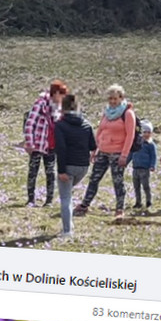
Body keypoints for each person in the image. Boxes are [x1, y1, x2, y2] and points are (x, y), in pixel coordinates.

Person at [74, 84, 137, 220]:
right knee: (94, 179)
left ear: (121, 98)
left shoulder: (128, 114)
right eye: (110, 99)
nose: (112, 101)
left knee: (117, 181)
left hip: (118, 152)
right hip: (103, 151)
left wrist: (124, 155)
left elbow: (130, 136)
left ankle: (119, 208)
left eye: (115, 99)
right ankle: (85, 204)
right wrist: (95, 149)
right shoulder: (107, 112)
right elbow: (100, 130)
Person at [54, 93, 96, 237]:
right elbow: (93, 145)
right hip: (83, 167)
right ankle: (69, 224)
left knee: (65, 198)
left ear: (62, 108)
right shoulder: (86, 124)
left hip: (68, 166)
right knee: (68, 194)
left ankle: (67, 231)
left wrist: (61, 170)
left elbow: (61, 149)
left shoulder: (60, 125)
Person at [23, 80, 68, 206]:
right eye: (61, 95)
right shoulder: (40, 104)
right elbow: (30, 123)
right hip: (38, 143)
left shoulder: (60, 108)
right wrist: (29, 142)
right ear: (55, 94)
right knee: (33, 171)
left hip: (51, 145)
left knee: (50, 172)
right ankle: (31, 199)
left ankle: (49, 200)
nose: (63, 98)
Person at [130, 121, 158, 210]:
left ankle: (148, 201)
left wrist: (152, 165)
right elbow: (131, 154)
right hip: (135, 168)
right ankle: (138, 202)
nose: (146, 134)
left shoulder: (150, 145)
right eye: (144, 132)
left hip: (145, 169)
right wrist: (125, 162)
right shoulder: (137, 143)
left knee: (145, 186)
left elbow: (154, 156)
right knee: (136, 186)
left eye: (148, 132)